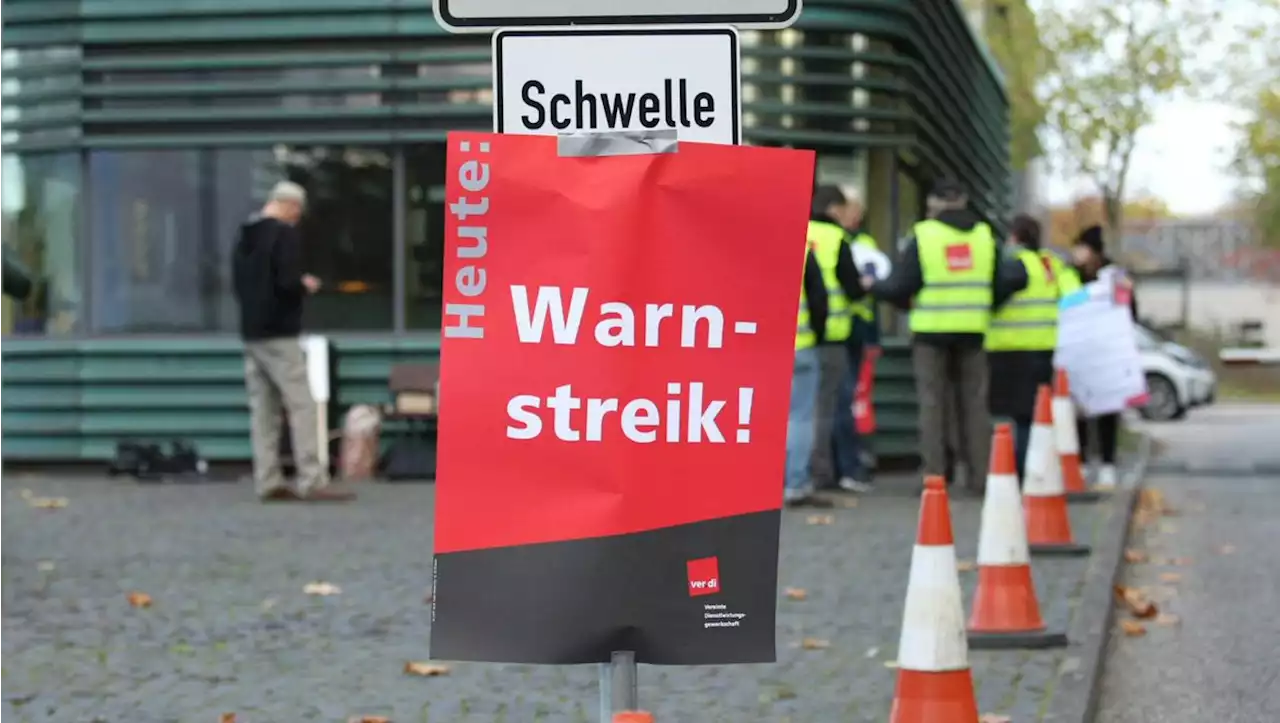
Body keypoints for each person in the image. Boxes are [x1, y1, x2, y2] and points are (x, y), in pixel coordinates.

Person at [864, 179, 1027, 495]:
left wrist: (874, 286)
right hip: (973, 332)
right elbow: (1006, 279)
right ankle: (980, 478)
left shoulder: (924, 235)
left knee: (933, 404)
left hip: (930, 334)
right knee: (975, 405)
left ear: (935, 204)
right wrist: (985, 305)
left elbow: (901, 285)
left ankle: (935, 477)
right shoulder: (984, 236)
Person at [232, 181, 355, 503]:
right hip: (280, 332)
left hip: (251, 332)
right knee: (303, 404)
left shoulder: (245, 234)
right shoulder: (283, 235)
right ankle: (311, 478)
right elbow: (286, 281)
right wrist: (305, 284)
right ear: (290, 205)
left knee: (264, 409)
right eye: (297, 212)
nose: (297, 219)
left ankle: (267, 478)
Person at [985, 215, 1082, 480]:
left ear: (1014, 237)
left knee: (1008, 417)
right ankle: (1034, 469)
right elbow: (1076, 298)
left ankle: (1011, 470)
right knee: (1033, 415)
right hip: (1044, 349)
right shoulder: (1053, 264)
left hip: (1009, 349)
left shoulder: (1014, 264)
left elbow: (991, 298)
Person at [806, 185, 876, 494]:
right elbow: (851, 288)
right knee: (833, 407)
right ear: (835, 209)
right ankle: (837, 471)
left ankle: (802, 472)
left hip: (797, 337)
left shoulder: (796, 229)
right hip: (832, 336)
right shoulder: (837, 239)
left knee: (801, 409)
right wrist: (865, 284)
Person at [1070, 225, 1136, 488]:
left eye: (1080, 248)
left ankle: (1107, 464)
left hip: (1107, 353)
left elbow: (1129, 311)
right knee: (1080, 412)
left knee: (1108, 409)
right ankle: (1084, 462)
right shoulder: (1071, 276)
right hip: (1080, 352)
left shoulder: (1115, 276)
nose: (1076, 253)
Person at [785, 239, 833, 508]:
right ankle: (795, 484)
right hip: (800, 346)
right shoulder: (800, 249)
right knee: (800, 418)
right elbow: (819, 300)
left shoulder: (739, 243)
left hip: (752, 350)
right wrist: (818, 334)